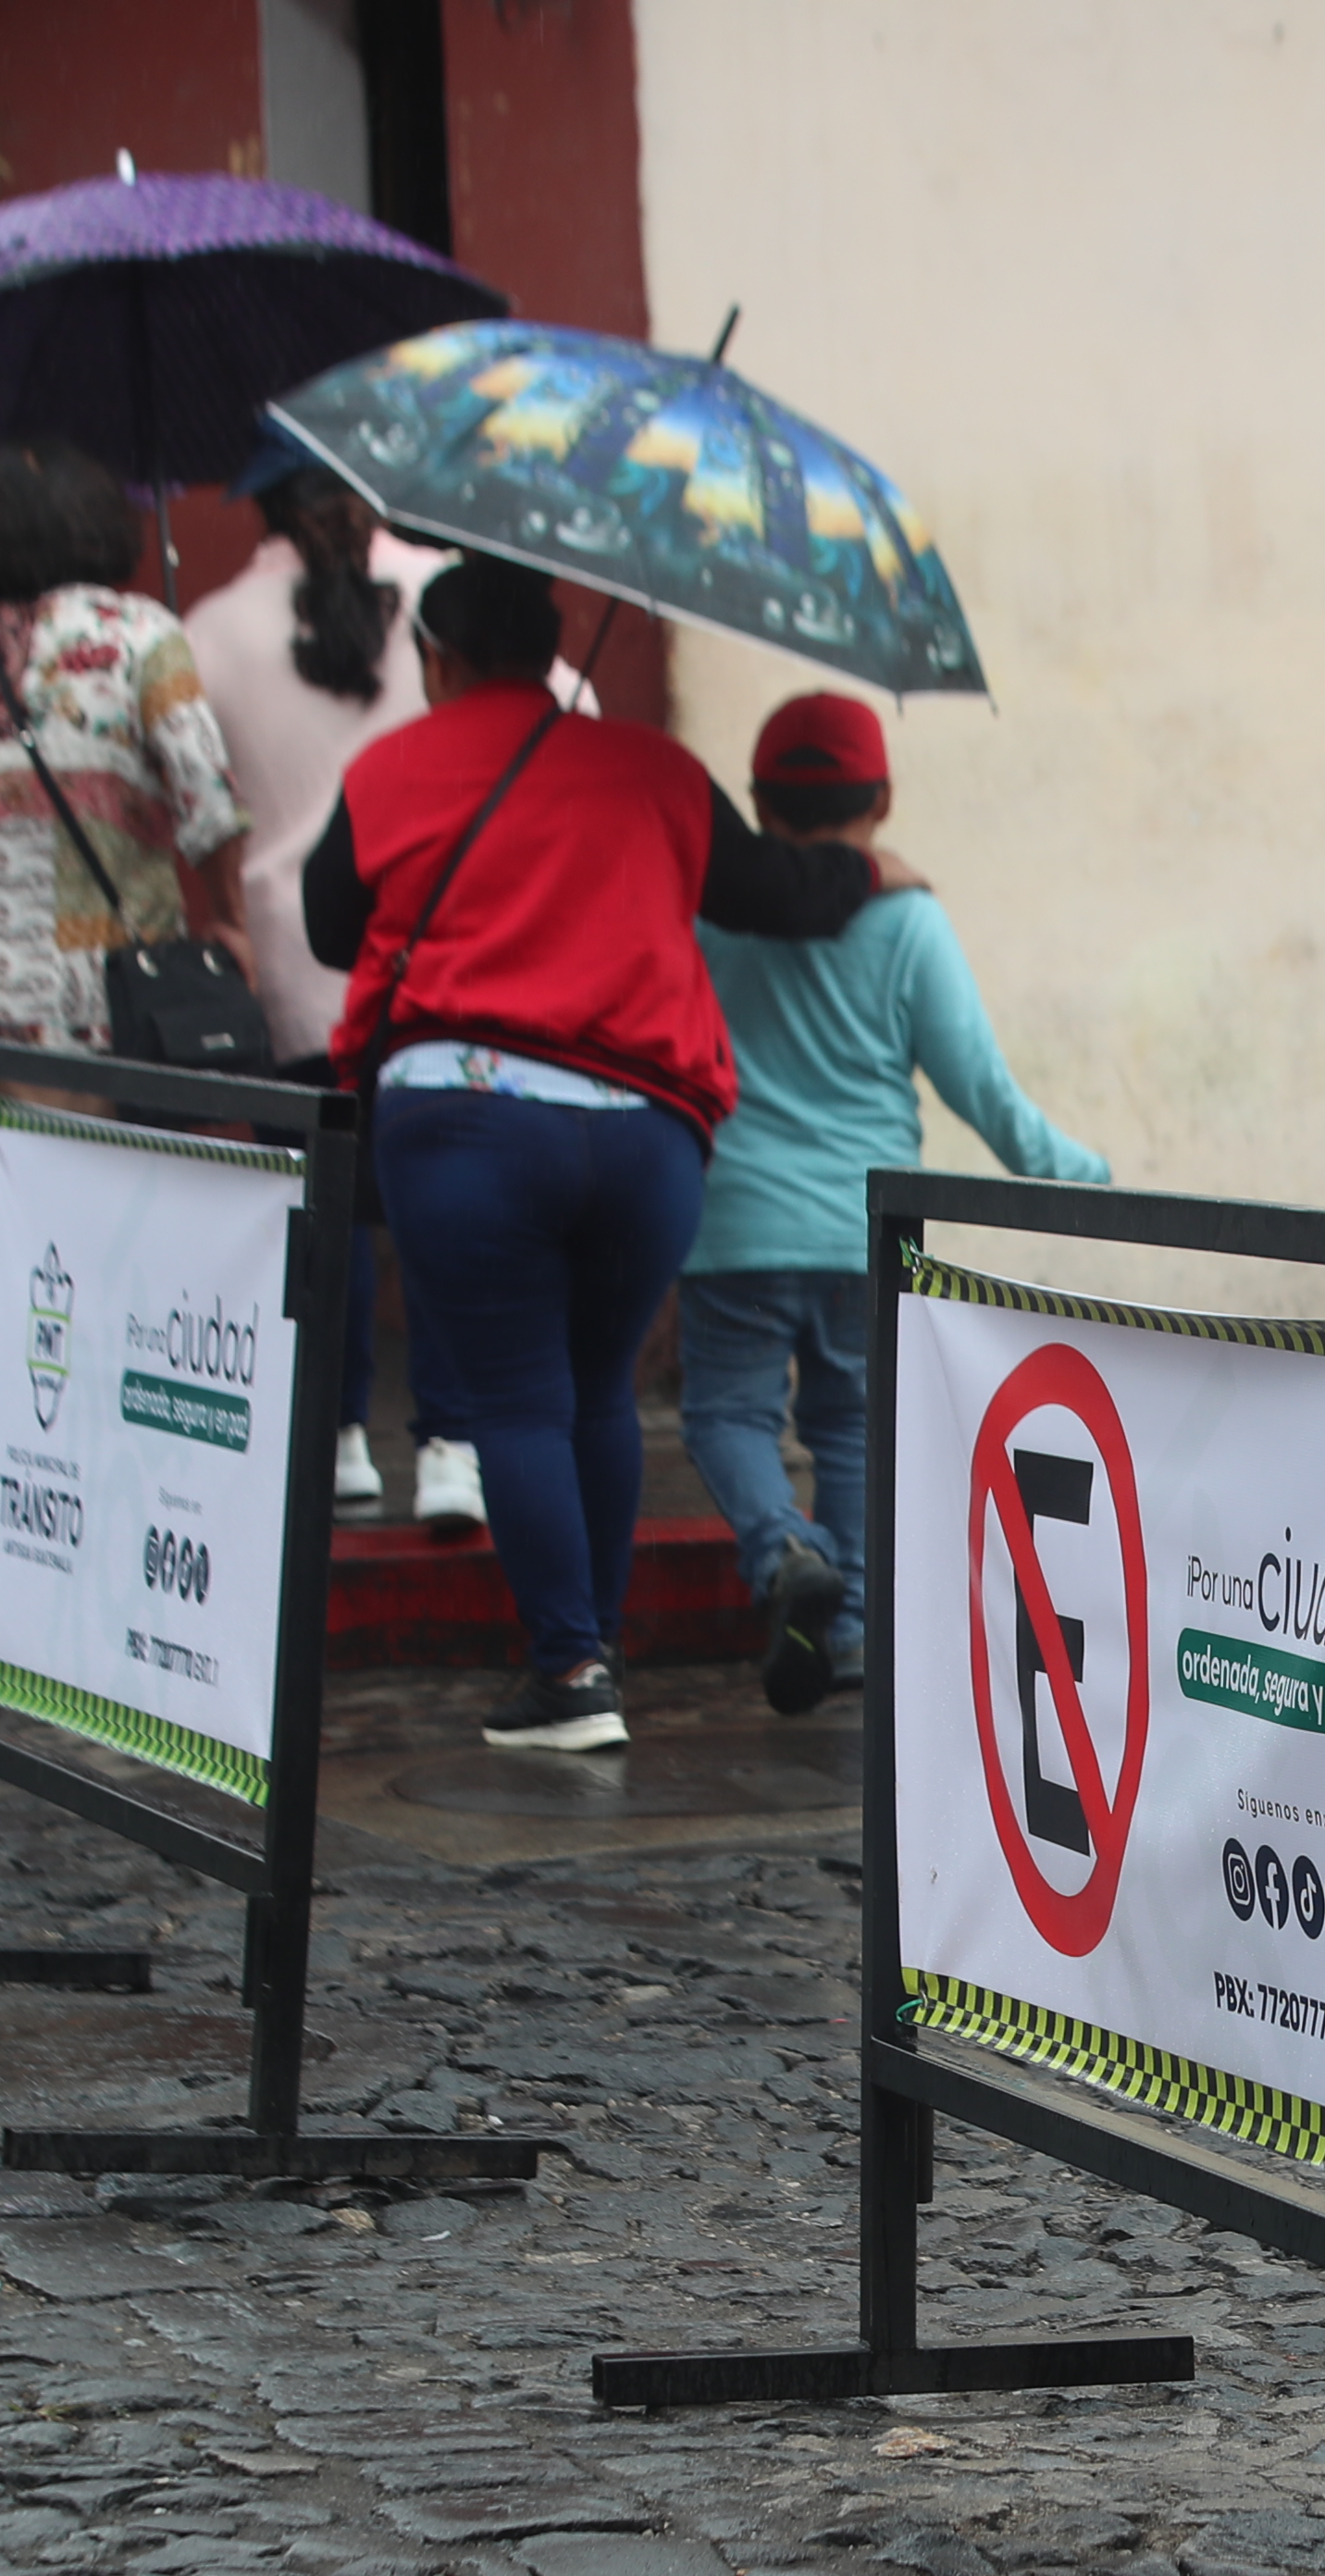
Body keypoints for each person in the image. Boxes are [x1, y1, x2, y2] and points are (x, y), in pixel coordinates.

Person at [307, 562, 901, 1753]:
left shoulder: (384, 772)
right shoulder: (655, 770)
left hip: (468, 1127)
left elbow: (332, 923)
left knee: (515, 1397)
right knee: (598, 1391)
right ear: (550, 648)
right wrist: (867, 872)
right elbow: (774, 893)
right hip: (646, 1136)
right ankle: (599, 1643)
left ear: (439, 659)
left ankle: (572, 1670)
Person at [689, 691, 1108, 1715]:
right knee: (852, 1420)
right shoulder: (908, 920)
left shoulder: (713, 912)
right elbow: (984, 1094)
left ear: (756, 801)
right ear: (880, 800)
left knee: (727, 1414)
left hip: (732, 1220)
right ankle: (852, 1628)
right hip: (863, 1225)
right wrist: (1085, 1176)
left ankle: (788, 1548)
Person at [185, 453, 493, 1531]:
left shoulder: (211, 629)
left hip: (294, 966)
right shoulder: (442, 593)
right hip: (442, 954)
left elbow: (192, 795)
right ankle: (452, 1446)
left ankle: (342, 1438)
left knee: (332, 1215)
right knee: (441, 1212)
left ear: (259, 504)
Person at [0, 440, 248, 1061]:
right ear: (98, 529)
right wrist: (231, 922)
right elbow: (210, 805)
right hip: (112, 994)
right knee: (109, 1159)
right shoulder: (141, 635)